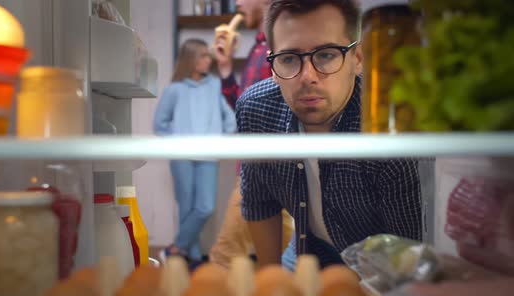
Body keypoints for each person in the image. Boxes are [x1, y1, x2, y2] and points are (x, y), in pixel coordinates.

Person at [237, 0, 422, 268]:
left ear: (357, 60)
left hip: (379, 259)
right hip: (307, 246)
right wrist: (271, 282)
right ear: (273, 68)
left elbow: (407, 249)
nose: (307, 76)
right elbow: (259, 203)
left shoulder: (382, 126)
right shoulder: (256, 111)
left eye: (325, 54)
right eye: (289, 59)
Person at [209, 0, 295, 269]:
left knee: (224, 258)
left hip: (264, 166)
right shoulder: (258, 47)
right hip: (259, 165)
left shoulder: (283, 45)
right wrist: (225, 68)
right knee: (286, 261)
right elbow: (243, 106)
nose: (237, 3)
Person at [153, 39, 236, 265]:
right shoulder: (174, 90)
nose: (208, 60)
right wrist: (179, 139)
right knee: (187, 208)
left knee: (204, 207)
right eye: (203, 56)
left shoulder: (215, 86)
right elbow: (160, 124)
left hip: (208, 156)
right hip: (182, 157)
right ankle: (195, 258)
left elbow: (230, 119)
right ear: (190, 59)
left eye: (208, 56)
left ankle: (175, 249)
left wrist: (219, 139)